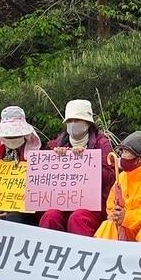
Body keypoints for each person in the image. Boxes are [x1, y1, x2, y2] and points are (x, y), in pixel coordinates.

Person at [38, 100, 114, 237]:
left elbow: (110, 177)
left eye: (77, 120)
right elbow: (43, 178)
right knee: (50, 216)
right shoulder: (55, 144)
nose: (73, 124)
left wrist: (86, 161)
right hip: (62, 200)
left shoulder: (102, 143)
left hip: (92, 203)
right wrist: (58, 157)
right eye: (70, 120)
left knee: (78, 218)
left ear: (88, 123)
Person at [94, 132, 141, 242]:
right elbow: (111, 206)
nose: (122, 156)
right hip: (127, 228)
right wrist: (116, 214)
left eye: (126, 152)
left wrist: (127, 217)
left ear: (140, 159)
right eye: (122, 151)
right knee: (109, 224)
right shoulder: (122, 176)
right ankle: (99, 254)